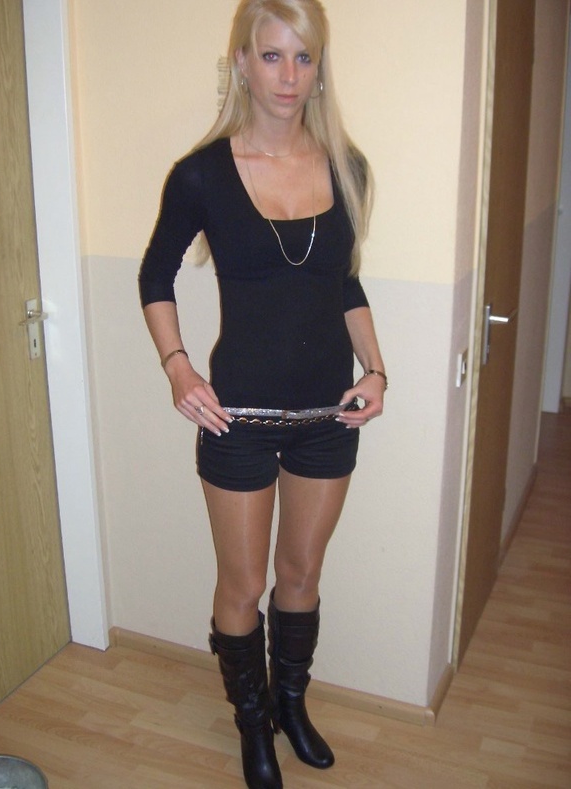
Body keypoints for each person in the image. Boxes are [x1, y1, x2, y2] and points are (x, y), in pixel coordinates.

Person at [139, 1, 386, 786]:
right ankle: (252, 723)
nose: (288, 75)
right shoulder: (202, 173)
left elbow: (344, 282)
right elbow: (155, 275)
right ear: (242, 63)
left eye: (303, 57)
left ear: (319, 69)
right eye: (272, 55)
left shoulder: (347, 166)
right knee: (243, 583)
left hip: (326, 416)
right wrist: (179, 368)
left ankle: (290, 702)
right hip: (236, 418)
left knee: (302, 573)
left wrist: (375, 370)